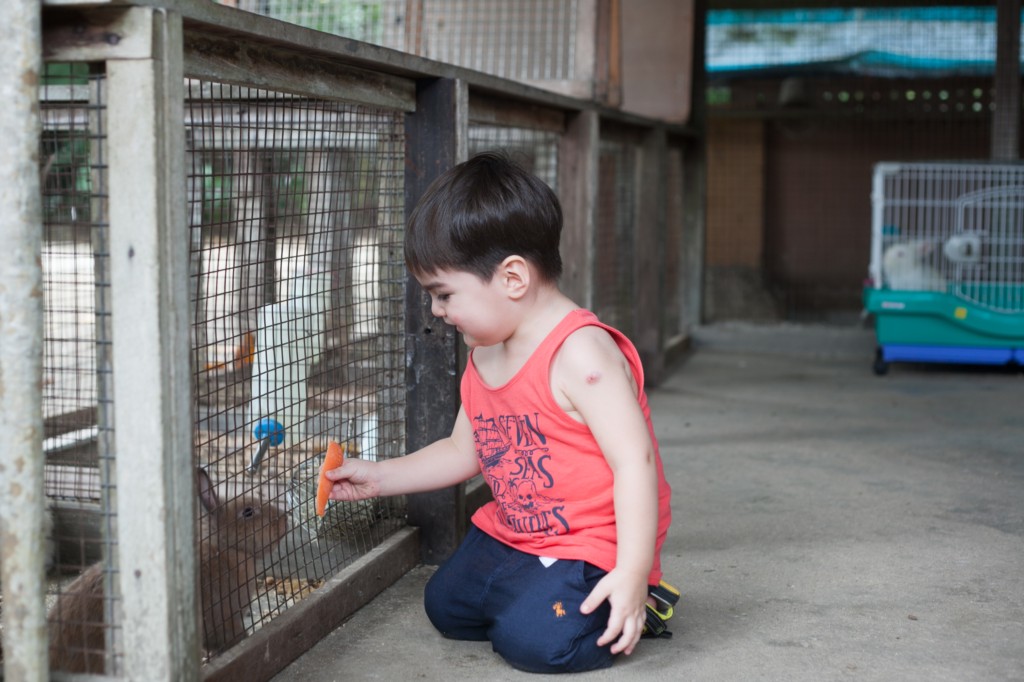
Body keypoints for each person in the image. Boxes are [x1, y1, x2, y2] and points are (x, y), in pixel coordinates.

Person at [323, 151, 674, 673]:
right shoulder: (485, 351)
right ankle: (538, 588)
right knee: (445, 605)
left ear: (513, 277)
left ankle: (638, 599)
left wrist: (631, 569)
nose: (438, 312)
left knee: (536, 644)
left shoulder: (581, 354)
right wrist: (378, 477)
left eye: (444, 294)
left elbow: (635, 465)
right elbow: (464, 449)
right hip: (518, 531)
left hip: (591, 544)